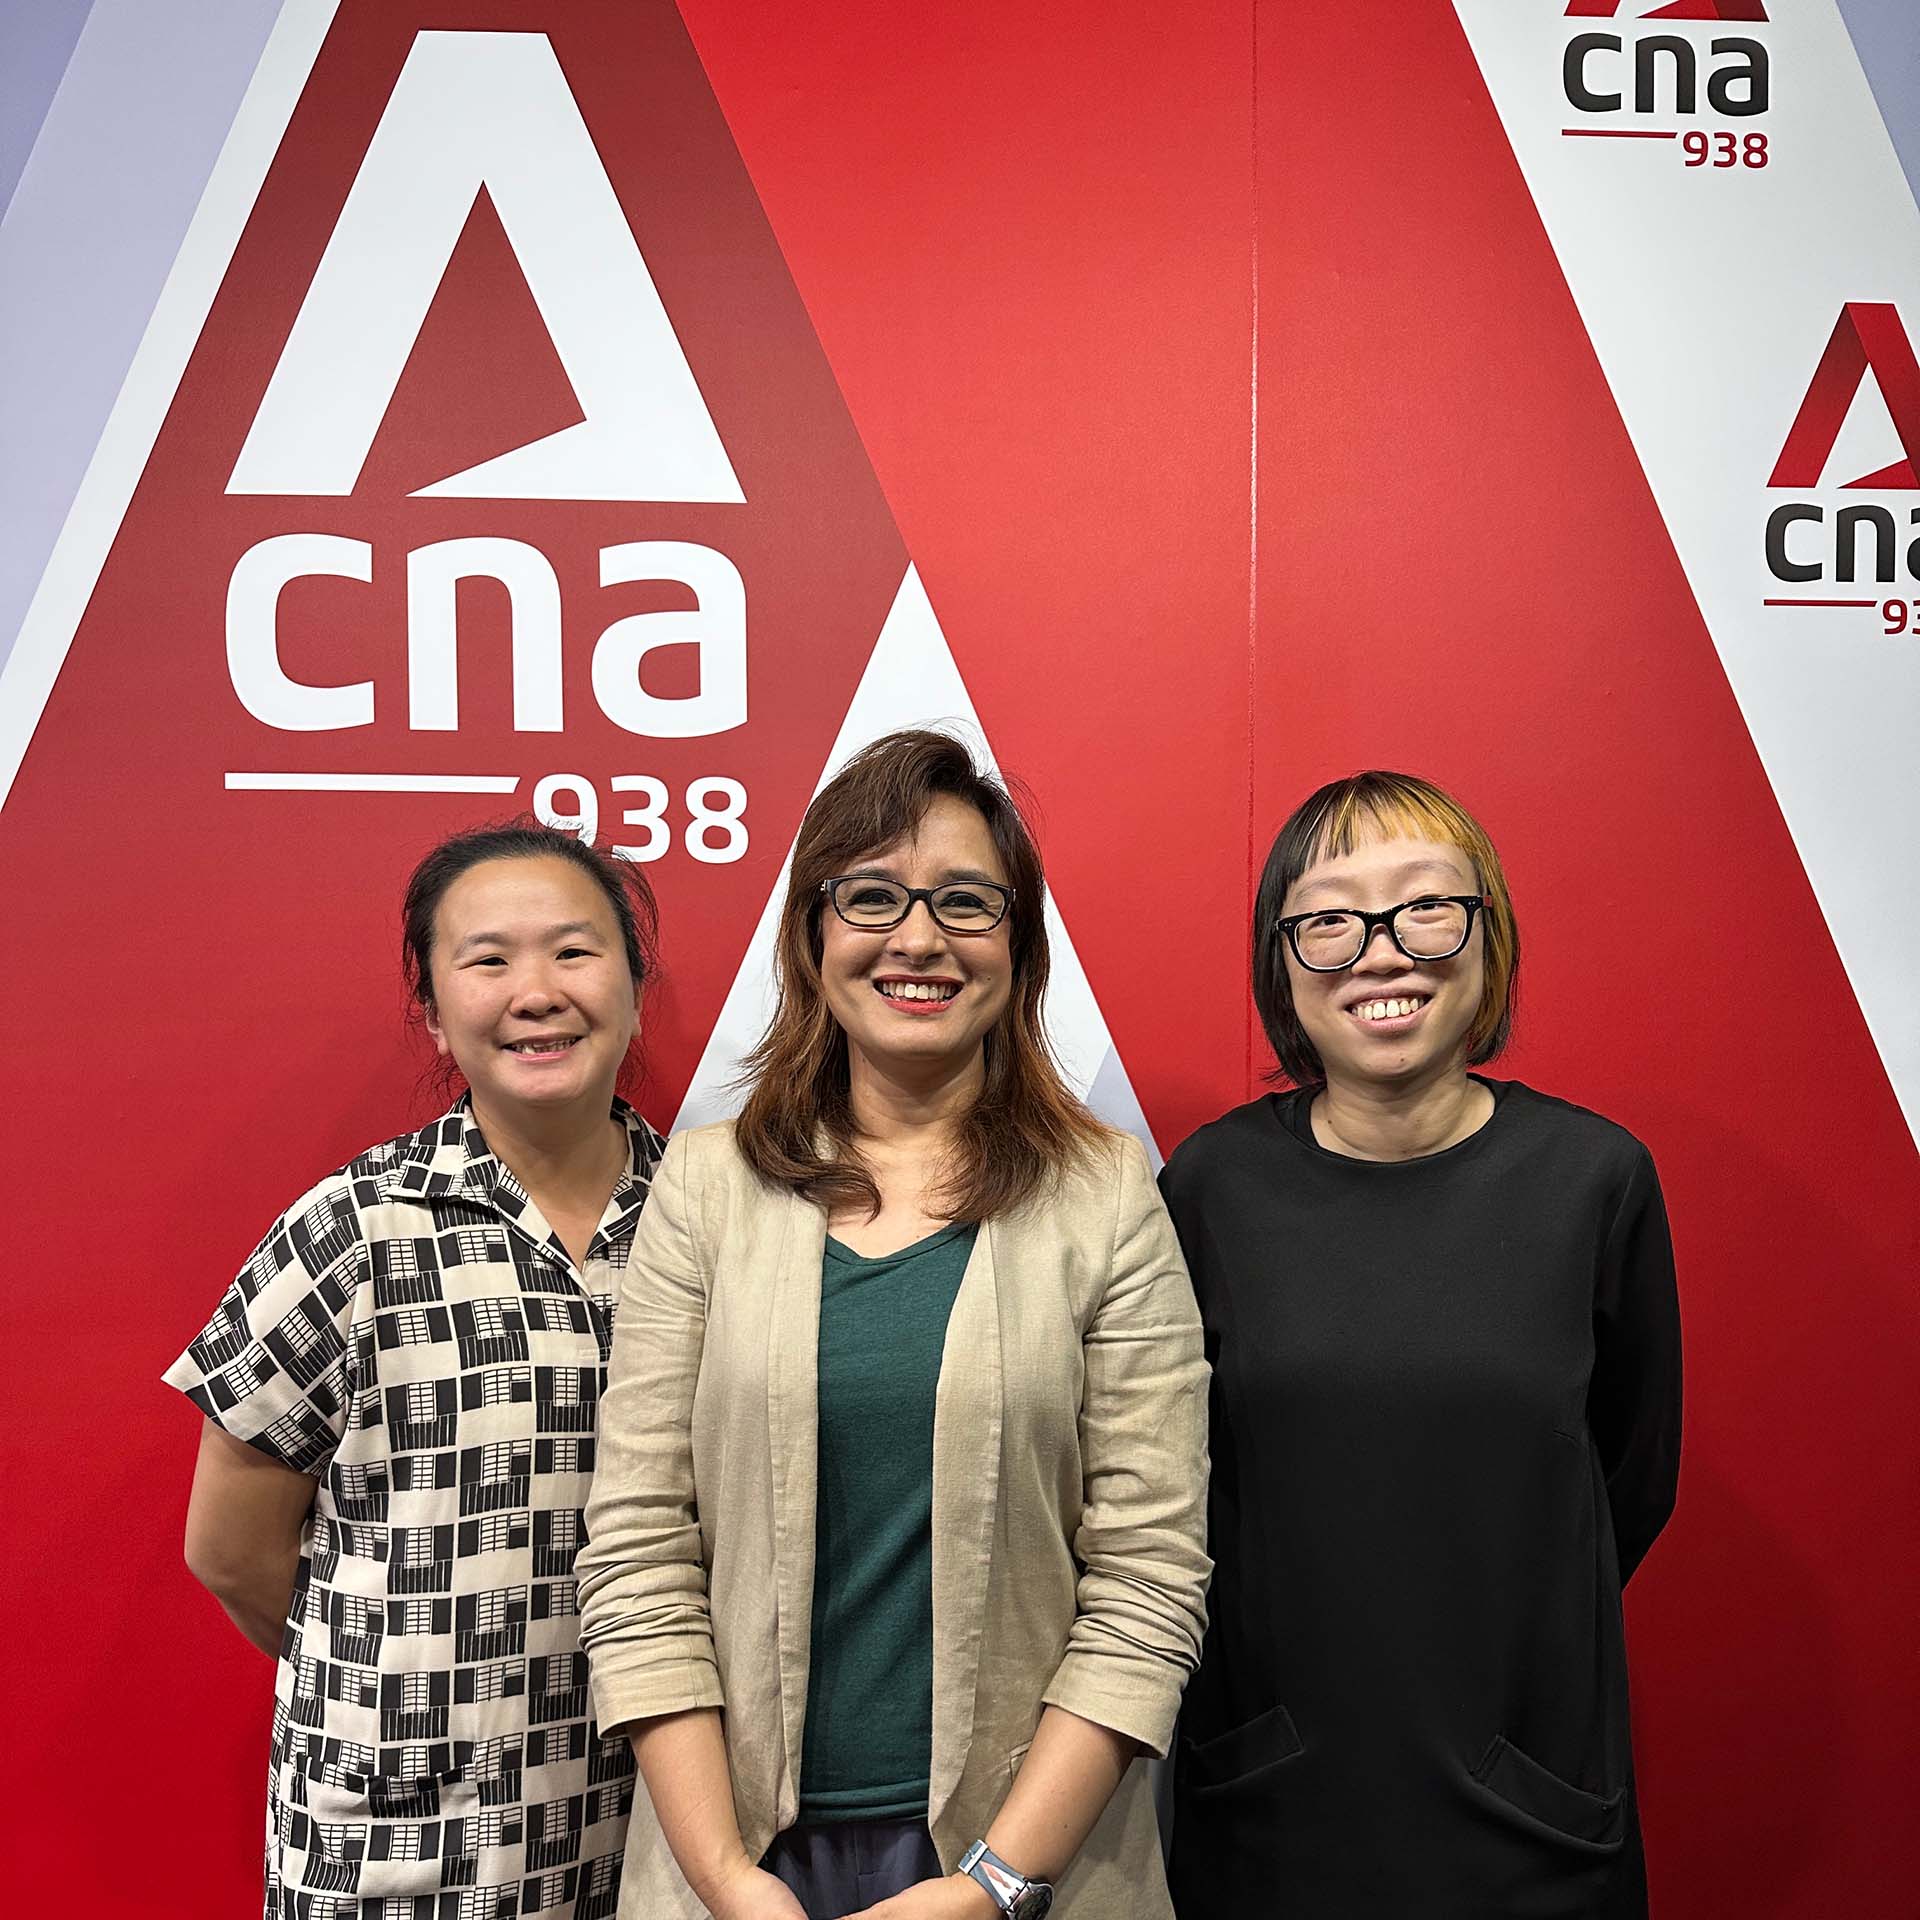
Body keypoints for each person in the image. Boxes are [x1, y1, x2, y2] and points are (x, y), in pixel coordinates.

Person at [576, 729, 1210, 1920]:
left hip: (1032, 1867)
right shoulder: (708, 1189)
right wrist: (721, 1876)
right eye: (872, 896)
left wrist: (996, 1885)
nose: (918, 939)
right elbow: (638, 1548)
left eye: (967, 903)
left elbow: (1149, 1575)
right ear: (814, 937)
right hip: (738, 1864)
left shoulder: (1108, 1195)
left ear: (1016, 949)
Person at [1162, 771, 1680, 1920]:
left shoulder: (1593, 1180)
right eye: (1332, 918)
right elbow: (1167, 1493)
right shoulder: (1209, 1187)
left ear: (1487, 939)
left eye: (1427, 909)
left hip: (1533, 1813)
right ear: (1281, 959)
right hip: (1272, 1807)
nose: (1382, 952)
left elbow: (1629, 1478)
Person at [166, 821, 667, 1919]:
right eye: (487, 960)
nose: (536, 991)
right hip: (397, 1845)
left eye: (575, 952)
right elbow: (233, 1551)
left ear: (635, 985)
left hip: (639, 1832)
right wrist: (402, 1687)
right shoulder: (354, 1228)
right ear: (436, 1010)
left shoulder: (706, 1223)